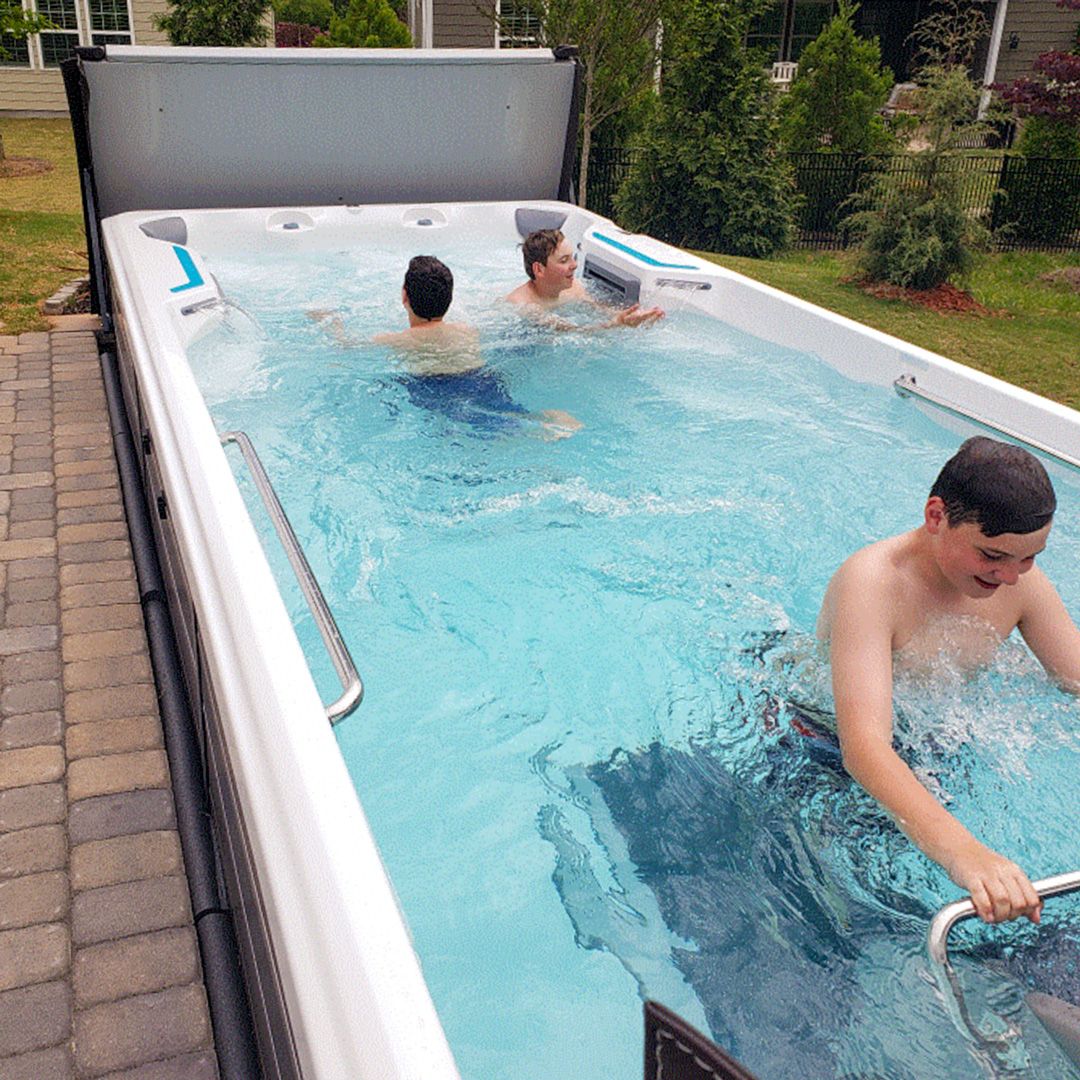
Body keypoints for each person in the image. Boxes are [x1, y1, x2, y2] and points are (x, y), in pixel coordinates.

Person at [817, 437, 1080, 926]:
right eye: (992, 555)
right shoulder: (872, 583)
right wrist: (966, 853)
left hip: (933, 740)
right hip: (820, 748)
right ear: (936, 515)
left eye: (1030, 558)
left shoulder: (1019, 583)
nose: (1010, 577)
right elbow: (864, 747)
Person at [310, 255, 581, 436]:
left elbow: (345, 346)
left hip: (437, 389)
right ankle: (544, 421)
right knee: (507, 414)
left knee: (472, 429)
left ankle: (535, 427)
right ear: (450, 298)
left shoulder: (398, 340)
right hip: (482, 379)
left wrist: (329, 321)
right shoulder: (466, 330)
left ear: (404, 296)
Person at [505, 229, 665, 329]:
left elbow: (599, 310)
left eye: (573, 257)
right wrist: (617, 324)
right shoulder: (524, 306)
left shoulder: (574, 287)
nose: (574, 265)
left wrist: (631, 316)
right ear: (539, 269)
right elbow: (575, 332)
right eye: (564, 260)